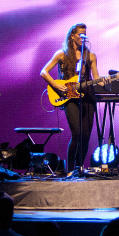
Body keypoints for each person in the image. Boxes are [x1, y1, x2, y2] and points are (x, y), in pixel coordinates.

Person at [41, 23, 99, 172]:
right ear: (72, 36)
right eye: (80, 35)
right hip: (69, 96)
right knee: (77, 133)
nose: (83, 38)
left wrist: (104, 82)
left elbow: (96, 77)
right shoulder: (61, 54)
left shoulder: (90, 55)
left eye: (84, 35)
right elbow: (44, 72)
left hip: (87, 97)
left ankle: (79, 168)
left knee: (86, 136)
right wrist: (56, 85)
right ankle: (70, 169)